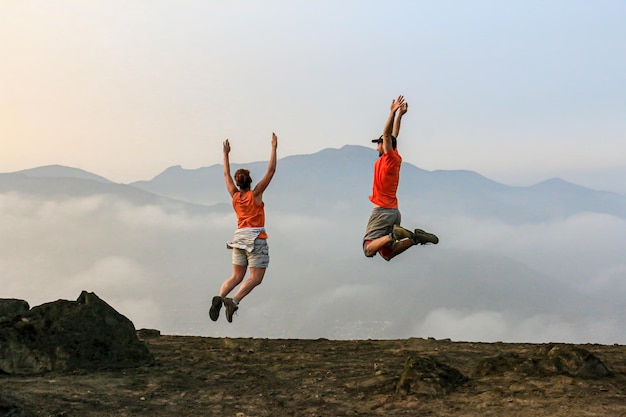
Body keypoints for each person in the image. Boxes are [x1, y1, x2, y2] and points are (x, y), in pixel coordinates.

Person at [209, 133, 278, 323]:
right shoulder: (256, 194)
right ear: (250, 181)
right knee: (255, 278)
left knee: (236, 276)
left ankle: (220, 296)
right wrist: (273, 147)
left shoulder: (234, 196)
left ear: (237, 183)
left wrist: (225, 154)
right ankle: (234, 301)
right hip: (256, 238)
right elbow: (271, 171)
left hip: (238, 238)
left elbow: (225, 174)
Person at [362, 95, 438, 261]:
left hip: (382, 211)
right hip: (394, 212)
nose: (377, 147)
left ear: (385, 144)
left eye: (378, 144)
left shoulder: (389, 159)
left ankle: (393, 236)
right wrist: (400, 116)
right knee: (388, 254)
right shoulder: (393, 158)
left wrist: (392, 112)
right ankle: (415, 238)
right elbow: (393, 135)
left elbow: (388, 135)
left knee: (368, 249)